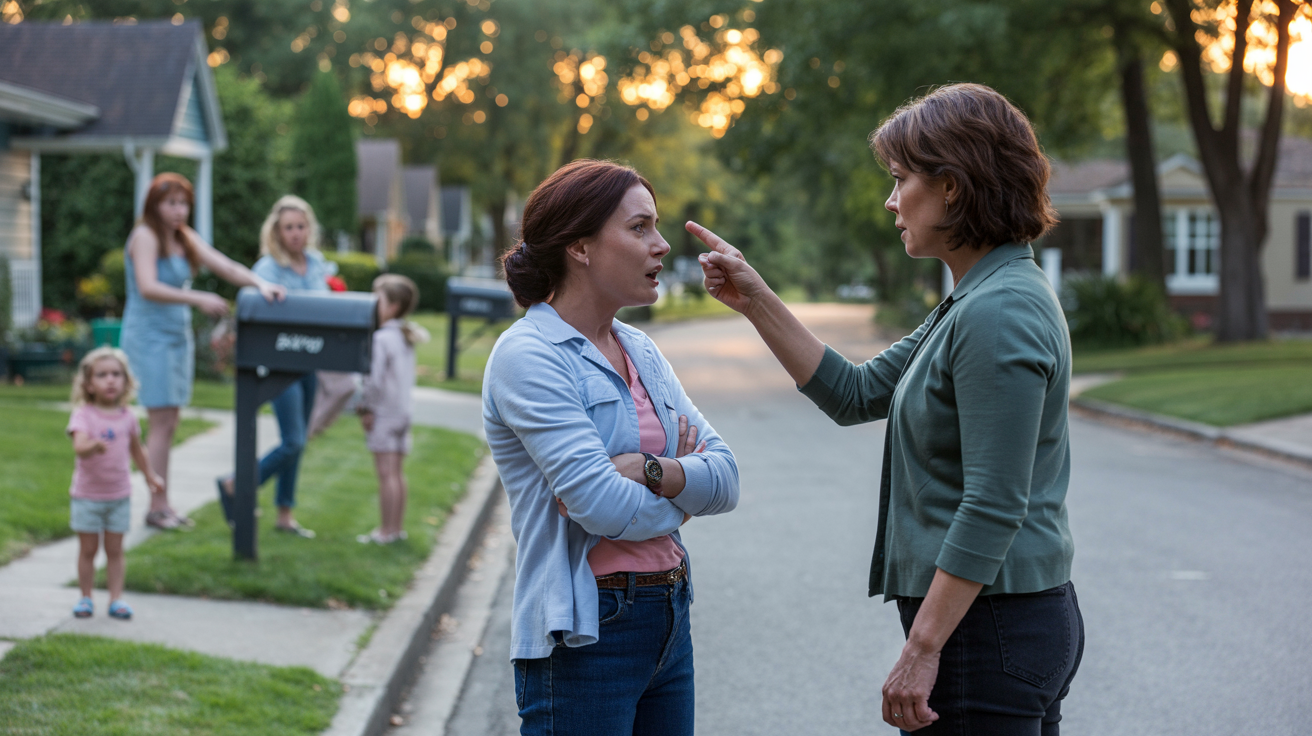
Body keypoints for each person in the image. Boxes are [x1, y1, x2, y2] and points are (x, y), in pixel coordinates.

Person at [691, 83, 1083, 734]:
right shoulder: (975, 299)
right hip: (997, 625)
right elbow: (855, 393)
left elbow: (993, 502)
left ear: (952, 186)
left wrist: (922, 649)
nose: (890, 200)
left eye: (902, 179)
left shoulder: (999, 312)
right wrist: (755, 298)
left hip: (990, 631)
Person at [483, 159, 740, 735]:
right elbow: (600, 506)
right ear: (580, 247)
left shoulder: (640, 348)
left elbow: (726, 477)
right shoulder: (529, 355)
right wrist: (681, 482)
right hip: (588, 630)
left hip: (670, 615)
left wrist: (648, 469)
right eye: (640, 227)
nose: (662, 245)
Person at [121, 172, 284, 531]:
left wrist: (261, 283)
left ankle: (162, 501)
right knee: (161, 422)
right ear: (154, 205)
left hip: (176, 336)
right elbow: (148, 287)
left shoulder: (184, 237)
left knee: (170, 421)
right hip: (150, 337)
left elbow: (224, 265)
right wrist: (198, 298)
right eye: (171, 203)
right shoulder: (145, 236)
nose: (179, 211)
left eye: (184, 203)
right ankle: (157, 505)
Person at [217, 195, 331, 538]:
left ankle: (284, 515)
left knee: (299, 441)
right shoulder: (267, 268)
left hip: (311, 359)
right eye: (288, 227)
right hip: (280, 363)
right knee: (293, 441)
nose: (295, 233)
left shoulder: (317, 263)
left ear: (308, 229)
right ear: (277, 232)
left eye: (300, 226)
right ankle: (237, 484)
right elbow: (252, 305)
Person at [67, 347, 165, 621]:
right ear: (88, 383)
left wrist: (150, 476)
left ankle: (116, 599)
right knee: (88, 550)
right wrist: (92, 446)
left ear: (126, 380)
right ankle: (85, 598)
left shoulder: (128, 417)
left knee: (115, 550)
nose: (110, 380)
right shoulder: (84, 415)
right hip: (87, 496)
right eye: (102, 375)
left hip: (119, 496)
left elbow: (138, 449)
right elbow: (79, 446)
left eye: (116, 374)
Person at [355, 274, 429, 545]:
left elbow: (372, 381)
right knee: (397, 473)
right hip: (402, 413)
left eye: (378, 298)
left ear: (393, 306)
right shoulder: (404, 335)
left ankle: (385, 532)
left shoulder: (382, 338)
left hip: (384, 413)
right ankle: (396, 530)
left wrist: (365, 408)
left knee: (386, 475)